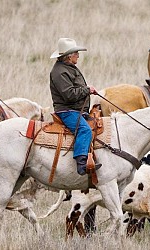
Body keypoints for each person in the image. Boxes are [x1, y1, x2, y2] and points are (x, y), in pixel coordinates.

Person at [49, 38, 101, 176]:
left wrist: (87, 90)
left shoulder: (68, 68)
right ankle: (82, 164)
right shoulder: (59, 72)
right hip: (67, 111)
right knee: (84, 130)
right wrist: (87, 90)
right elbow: (69, 95)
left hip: (76, 110)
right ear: (68, 56)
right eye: (76, 53)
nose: (78, 55)